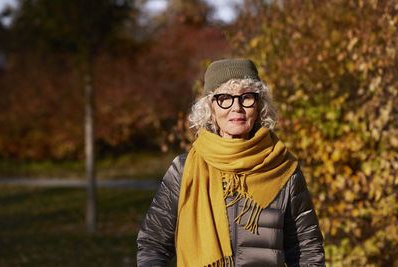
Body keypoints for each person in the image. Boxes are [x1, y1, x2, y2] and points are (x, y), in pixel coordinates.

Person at [137, 58, 325, 266]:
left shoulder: (283, 168)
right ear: (210, 108)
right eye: (224, 98)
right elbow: (152, 244)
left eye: (246, 97)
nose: (237, 107)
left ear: (259, 105)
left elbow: (308, 250)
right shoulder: (184, 169)